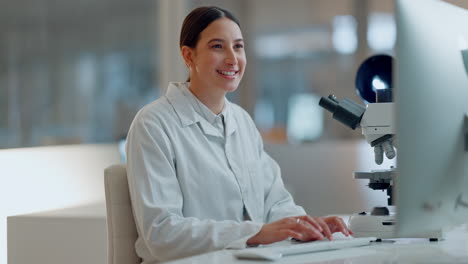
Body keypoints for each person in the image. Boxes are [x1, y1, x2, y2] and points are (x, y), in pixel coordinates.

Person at [126, 6, 353, 263]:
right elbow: (162, 234)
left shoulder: (242, 122)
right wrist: (256, 232)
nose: (233, 58)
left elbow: (275, 202)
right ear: (188, 56)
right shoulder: (154, 124)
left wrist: (306, 226)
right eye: (217, 46)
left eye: (238, 46)